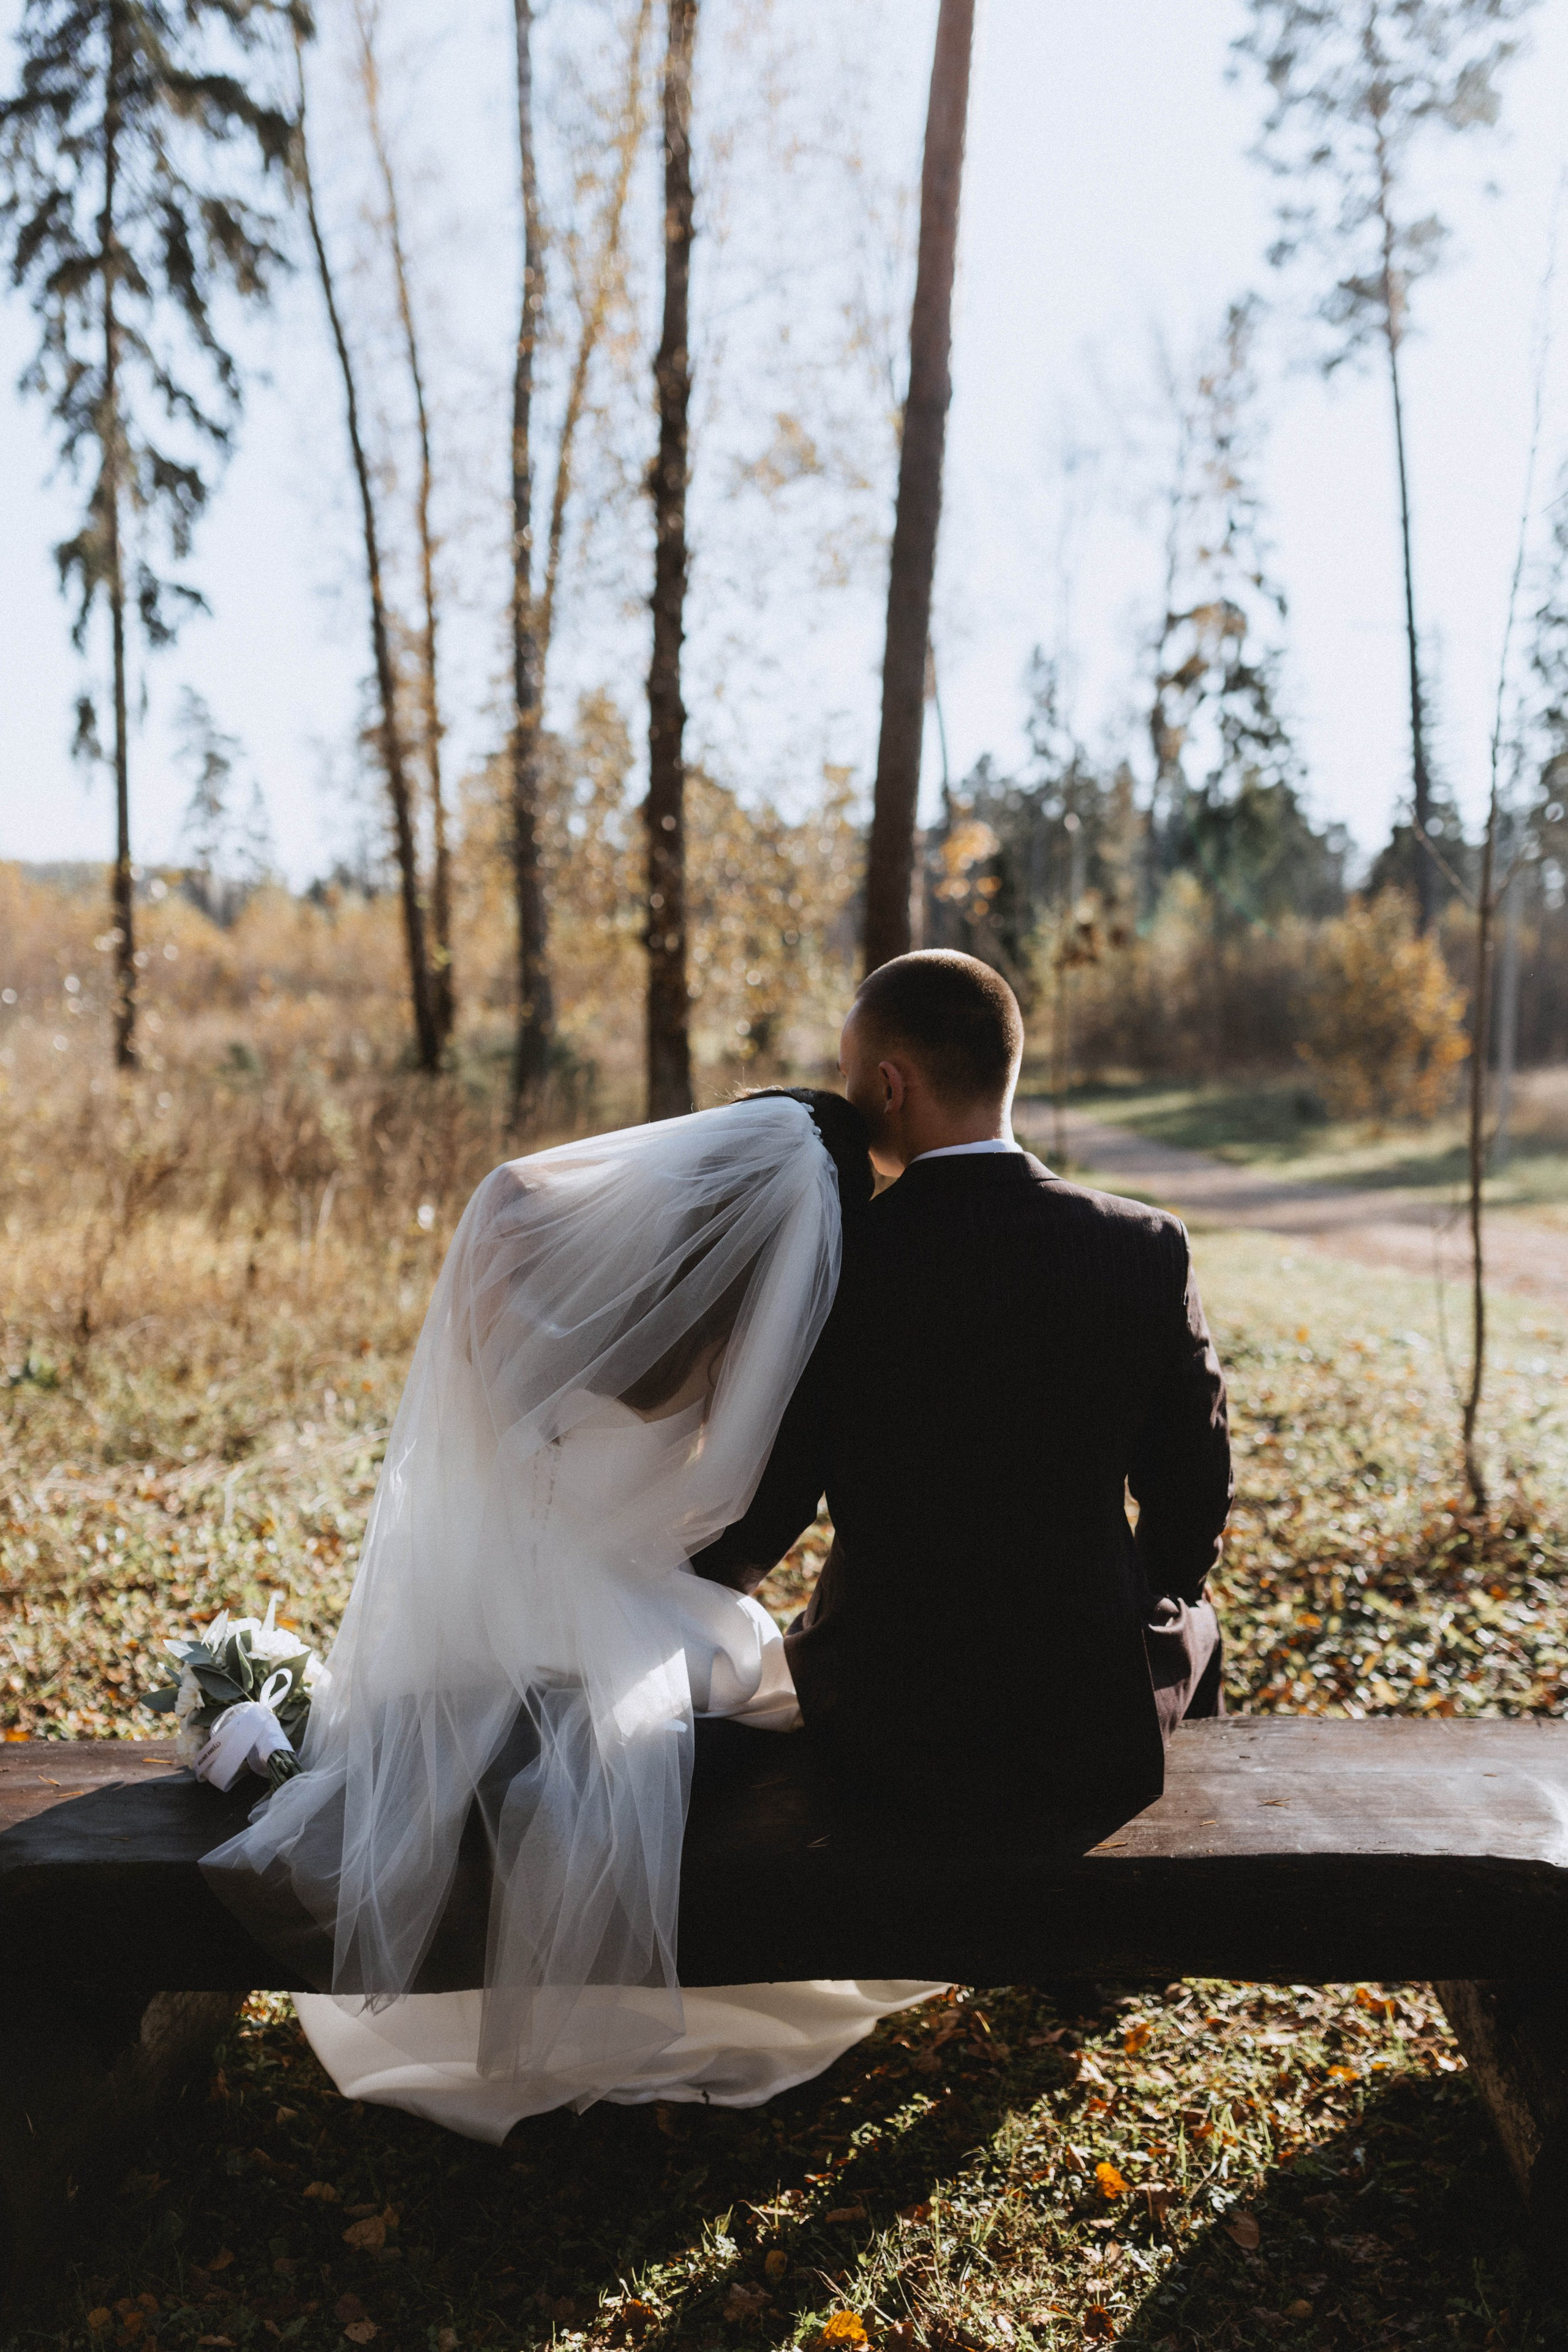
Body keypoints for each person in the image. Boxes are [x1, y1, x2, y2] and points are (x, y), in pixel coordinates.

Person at [202, 1090, 944, 2143]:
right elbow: (720, 1505)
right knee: (764, 1690)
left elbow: (465, 1426)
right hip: (628, 1613)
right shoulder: (739, 1339)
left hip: (476, 1601)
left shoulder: (521, 1253)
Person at [692, 951, 1232, 1827]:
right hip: (1089, 1729)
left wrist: (663, 1597)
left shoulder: (841, 1268)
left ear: (891, 1085)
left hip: (884, 1729)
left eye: (848, 1075)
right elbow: (1193, 1491)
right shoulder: (1146, 1248)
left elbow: (768, 1511)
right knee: (1195, 1627)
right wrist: (1131, 1612)